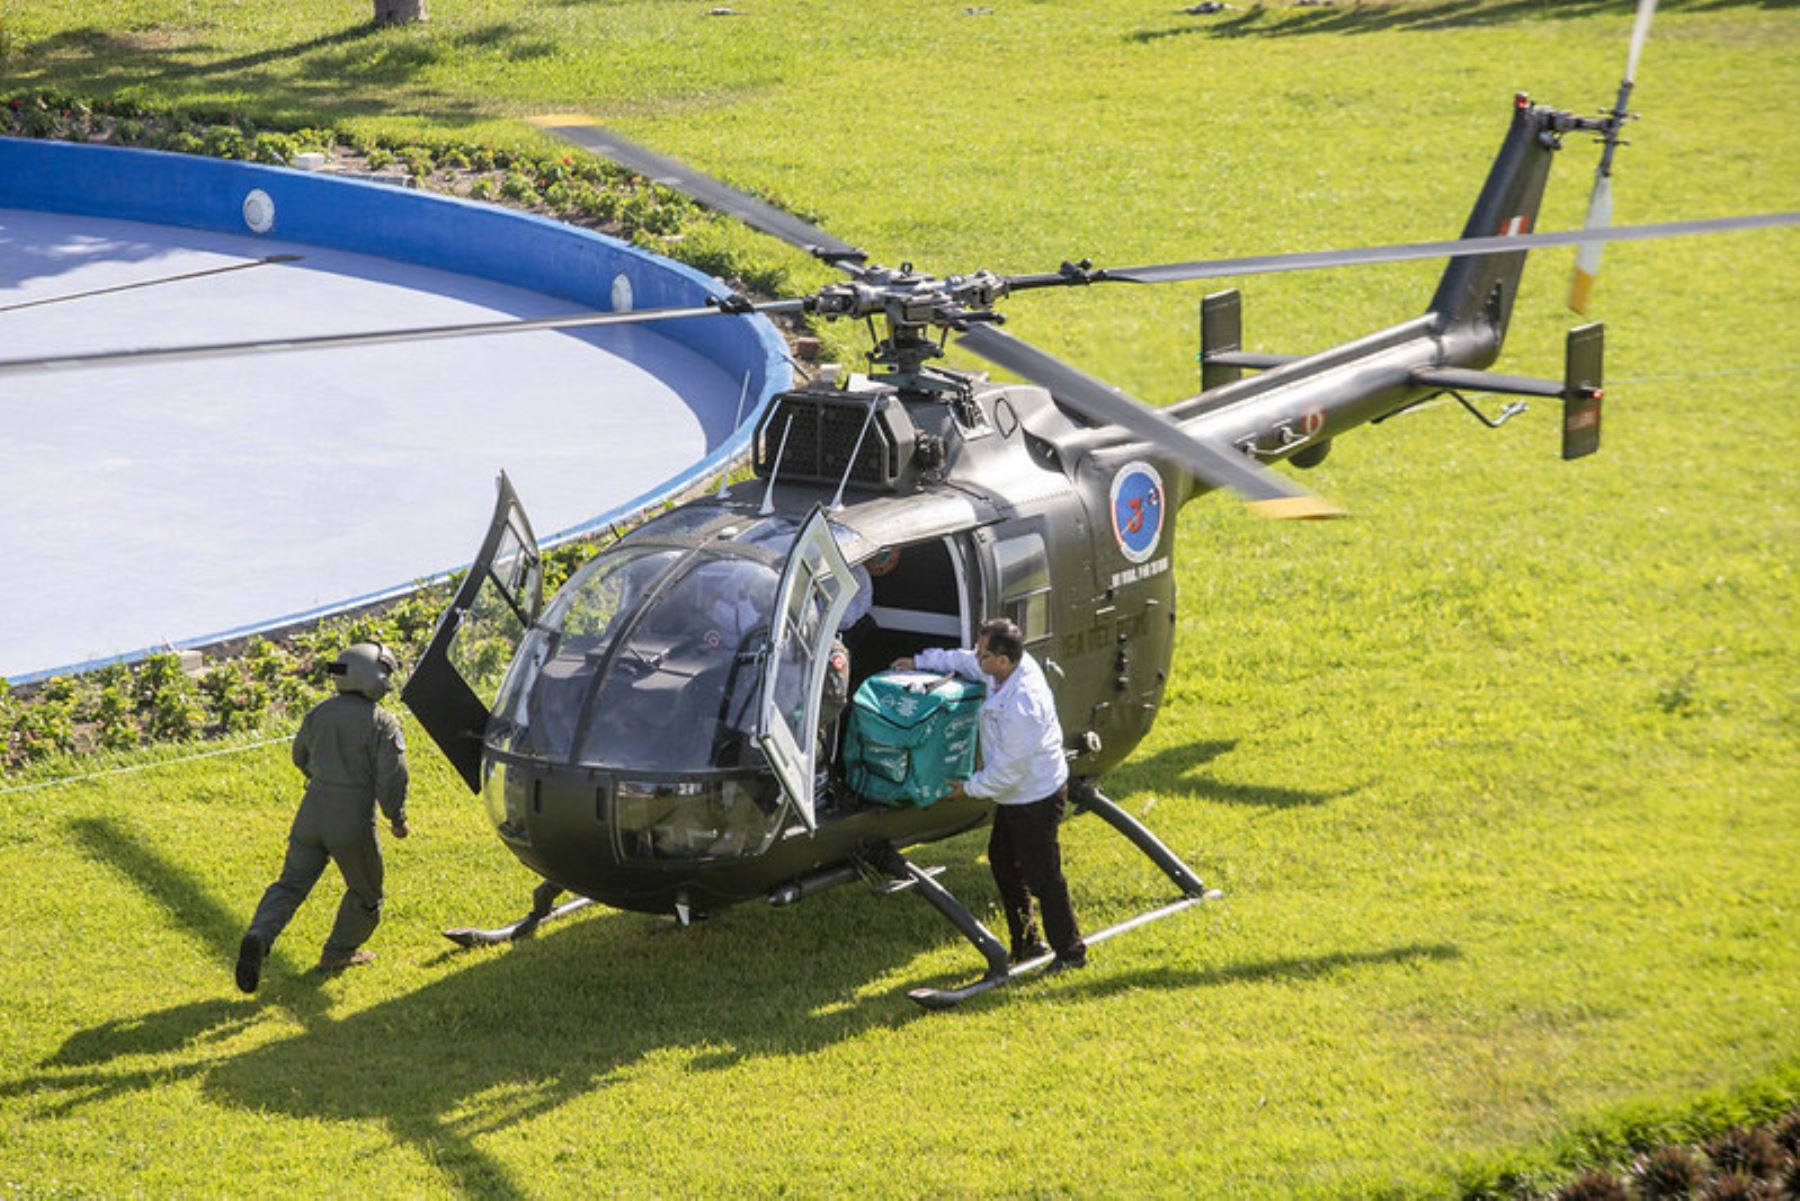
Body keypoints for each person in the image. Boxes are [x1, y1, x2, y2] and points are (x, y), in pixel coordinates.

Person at [893, 618, 1086, 970]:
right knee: (1004, 862)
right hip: (1016, 795)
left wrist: (966, 788)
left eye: (983, 654)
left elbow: (1006, 774)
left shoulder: (1023, 706)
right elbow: (963, 661)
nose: (976, 658)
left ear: (1002, 660)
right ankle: (1028, 943)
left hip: (1035, 797)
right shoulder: (1000, 669)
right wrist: (919, 662)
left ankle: (1071, 953)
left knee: (1044, 877)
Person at [235, 642, 410, 992]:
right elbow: (393, 776)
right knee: (366, 894)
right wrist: (396, 817)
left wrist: (320, 776)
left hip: (311, 813)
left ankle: (260, 934)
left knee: (290, 884)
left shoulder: (319, 713)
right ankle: (338, 952)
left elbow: (299, 754)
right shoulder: (382, 722)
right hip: (352, 821)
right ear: (374, 676)